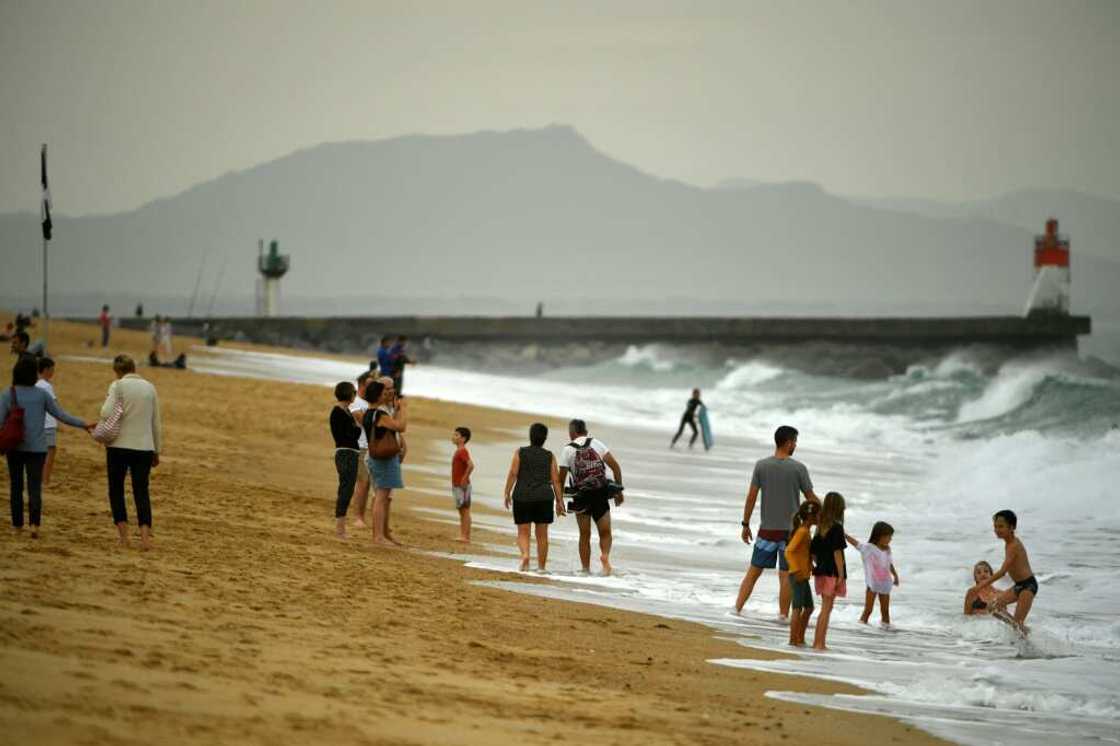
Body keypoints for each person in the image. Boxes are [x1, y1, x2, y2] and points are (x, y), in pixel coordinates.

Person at [1, 357, 93, 537]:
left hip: (15, 447)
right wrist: (83, 424)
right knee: (35, 487)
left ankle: (17, 526)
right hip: (37, 449)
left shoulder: (8, 394)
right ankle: (34, 525)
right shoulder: (42, 394)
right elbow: (61, 415)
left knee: (16, 487)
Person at [735, 425, 821, 616]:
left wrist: (745, 524)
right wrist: (827, 516)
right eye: (795, 441)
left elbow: (751, 497)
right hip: (791, 533)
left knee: (753, 573)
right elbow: (811, 497)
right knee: (785, 577)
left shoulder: (761, 465)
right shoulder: (798, 468)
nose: (795, 445)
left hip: (767, 530)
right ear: (789, 442)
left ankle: (736, 609)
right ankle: (783, 617)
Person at [99, 354, 162, 550]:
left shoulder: (117, 386)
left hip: (119, 445)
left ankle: (124, 537)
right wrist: (157, 450)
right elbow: (156, 423)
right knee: (141, 491)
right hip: (144, 447)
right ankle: (145, 538)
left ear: (117, 371)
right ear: (134, 367)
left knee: (116, 489)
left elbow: (106, 413)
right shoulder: (150, 387)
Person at [558, 419, 624, 575]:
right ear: (586, 431)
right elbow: (616, 467)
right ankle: (605, 557)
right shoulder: (597, 443)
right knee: (605, 531)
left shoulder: (567, 450)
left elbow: (560, 480)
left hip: (581, 496)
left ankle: (585, 570)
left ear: (571, 433)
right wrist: (618, 492)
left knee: (584, 534)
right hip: (600, 493)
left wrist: (559, 502)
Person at [503, 422, 566, 571]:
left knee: (523, 531)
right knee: (542, 535)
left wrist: (507, 492)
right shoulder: (549, 456)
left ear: (530, 436)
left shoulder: (520, 452)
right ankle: (541, 567)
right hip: (544, 497)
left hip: (522, 495)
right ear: (545, 438)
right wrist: (559, 501)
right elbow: (556, 480)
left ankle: (525, 556)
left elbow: (513, 473)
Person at [971, 509, 1036, 631]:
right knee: (992, 607)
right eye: (995, 527)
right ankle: (1021, 629)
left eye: (1001, 526)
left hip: (1028, 586)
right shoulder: (1008, 543)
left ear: (1012, 527)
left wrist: (979, 586)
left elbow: (1002, 572)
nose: (997, 530)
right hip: (1019, 586)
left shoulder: (1014, 545)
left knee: (1017, 625)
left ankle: (1022, 636)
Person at [362, 378, 407, 546]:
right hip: (383, 460)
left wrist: (395, 411)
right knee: (381, 498)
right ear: (378, 395)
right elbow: (401, 427)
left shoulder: (370, 413)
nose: (387, 393)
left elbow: (390, 428)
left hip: (377, 459)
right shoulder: (379, 414)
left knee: (382, 497)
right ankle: (378, 536)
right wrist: (404, 408)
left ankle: (381, 534)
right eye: (384, 391)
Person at [809, 491, 846, 650]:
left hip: (821, 571)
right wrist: (841, 575)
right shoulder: (836, 528)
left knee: (825, 608)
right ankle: (819, 643)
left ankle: (818, 642)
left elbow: (813, 554)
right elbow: (838, 553)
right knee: (826, 609)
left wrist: (820, 564)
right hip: (832, 572)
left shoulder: (819, 529)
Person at [846, 521, 900, 626]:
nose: (890, 539)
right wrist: (844, 535)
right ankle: (861, 629)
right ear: (879, 536)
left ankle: (885, 633)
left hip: (885, 584)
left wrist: (895, 575)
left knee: (885, 612)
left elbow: (889, 564)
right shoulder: (868, 548)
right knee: (868, 610)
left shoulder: (887, 549)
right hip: (872, 584)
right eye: (888, 536)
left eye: (890, 537)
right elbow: (855, 543)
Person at [329, 381, 362, 538]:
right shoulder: (338, 412)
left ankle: (341, 527)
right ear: (349, 394)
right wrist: (357, 424)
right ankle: (340, 528)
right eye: (354, 392)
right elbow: (352, 434)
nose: (355, 395)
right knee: (346, 490)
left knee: (347, 489)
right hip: (346, 453)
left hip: (350, 453)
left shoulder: (345, 411)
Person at [784, 500, 820, 646]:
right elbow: (789, 551)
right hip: (797, 574)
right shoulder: (802, 531)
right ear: (811, 516)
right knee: (797, 608)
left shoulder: (806, 531)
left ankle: (799, 637)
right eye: (819, 515)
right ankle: (793, 640)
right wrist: (796, 569)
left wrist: (810, 565)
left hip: (803, 575)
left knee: (809, 608)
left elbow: (802, 553)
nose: (820, 518)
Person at [348, 371, 374, 528]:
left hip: (370, 446)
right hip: (360, 446)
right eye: (371, 385)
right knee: (362, 483)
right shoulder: (355, 402)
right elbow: (365, 422)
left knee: (367, 483)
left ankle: (362, 516)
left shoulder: (368, 403)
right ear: (363, 384)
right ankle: (358, 517)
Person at [35, 357, 60, 486]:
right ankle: (45, 481)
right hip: (48, 424)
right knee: (50, 452)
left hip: (38, 424)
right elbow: (55, 407)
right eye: (52, 369)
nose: (53, 372)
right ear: (46, 369)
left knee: (39, 454)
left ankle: (39, 479)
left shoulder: (35, 385)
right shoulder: (47, 386)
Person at [451, 426, 474, 543]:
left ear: (463, 439)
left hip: (461, 485)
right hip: (458, 484)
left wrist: (464, 479)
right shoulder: (459, 451)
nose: (453, 437)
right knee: (463, 511)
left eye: (456, 435)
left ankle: (465, 536)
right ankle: (464, 535)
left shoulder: (462, 451)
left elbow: (471, 465)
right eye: (454, 434)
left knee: (464, 511)